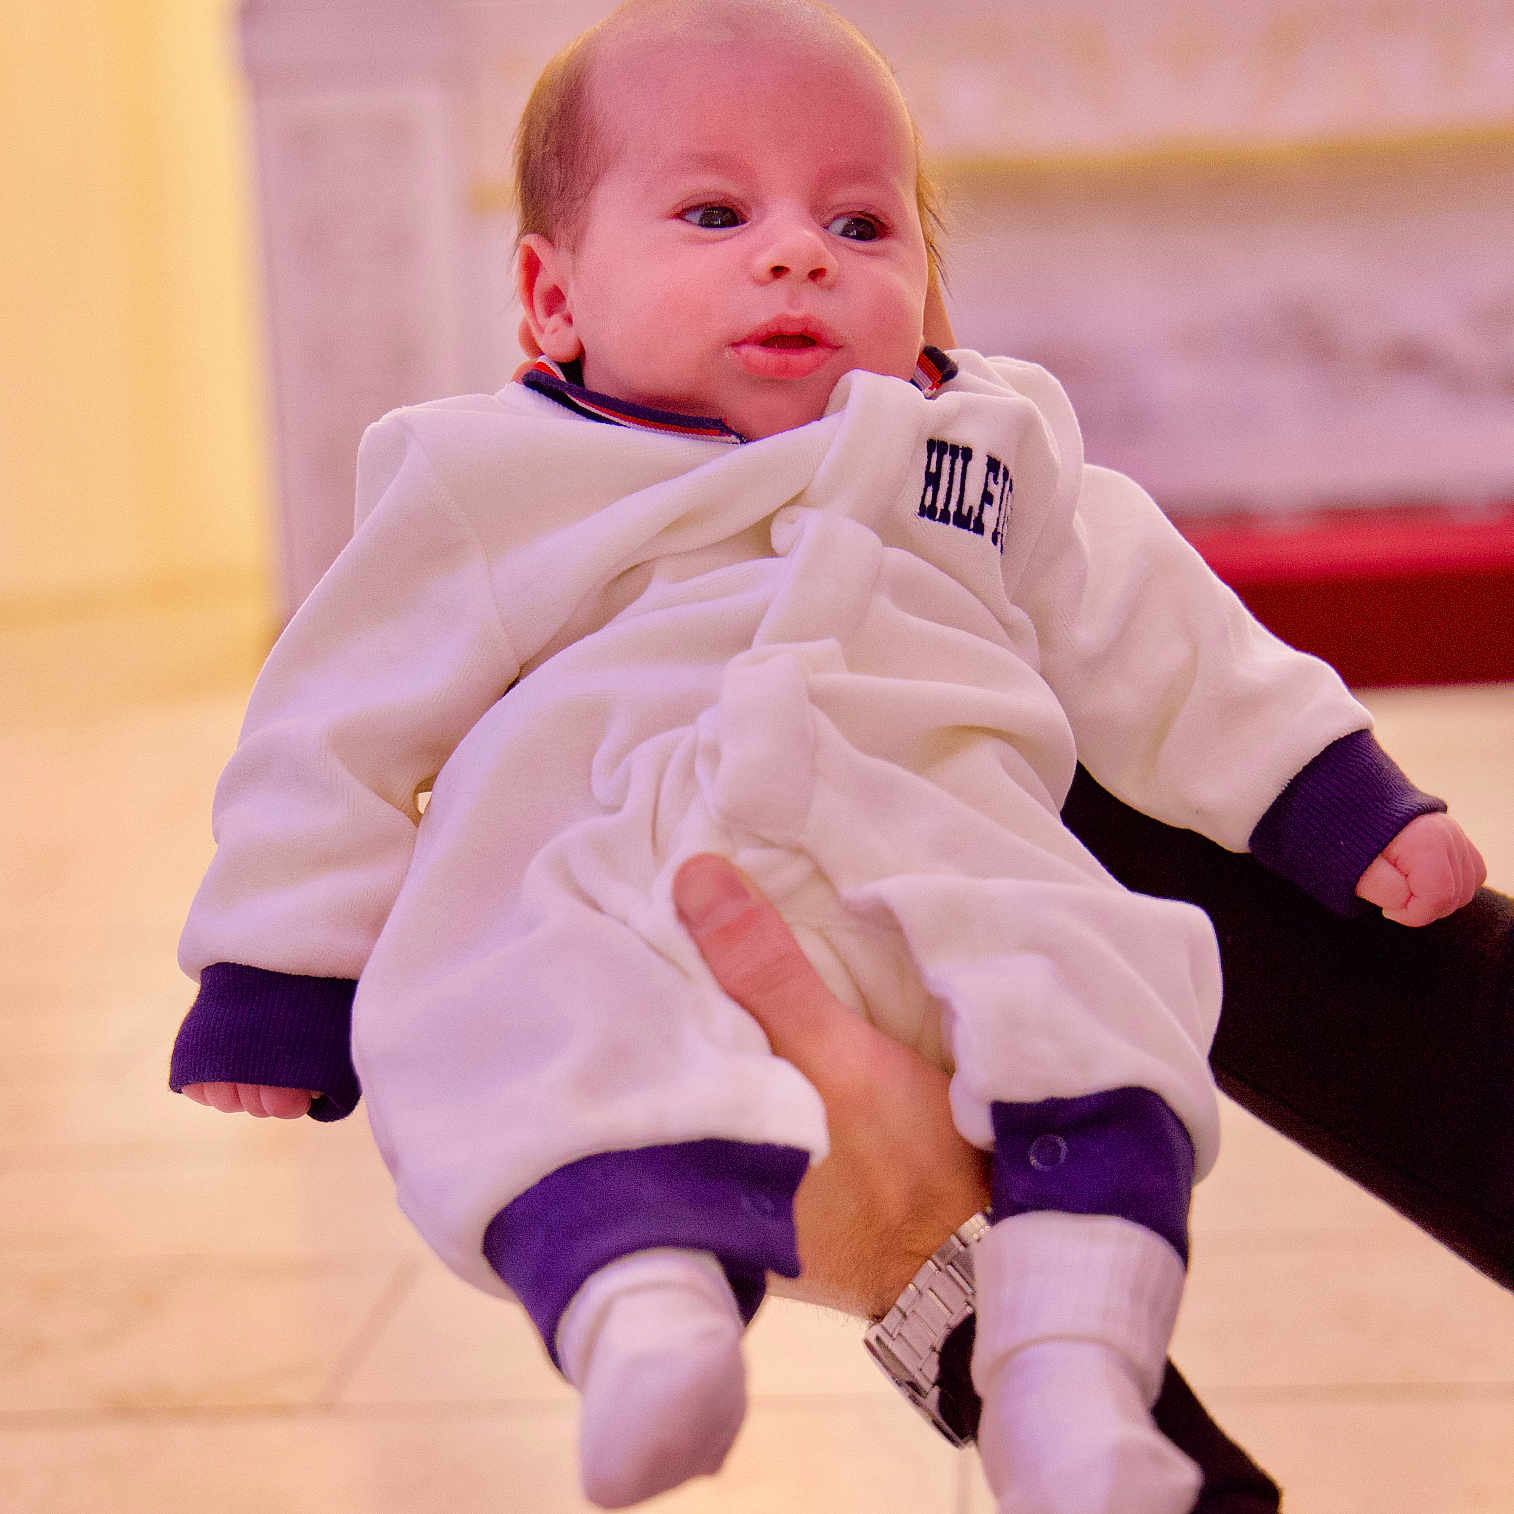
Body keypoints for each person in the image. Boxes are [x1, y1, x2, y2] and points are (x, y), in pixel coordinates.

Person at [169, 1, 1488, 1509]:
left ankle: (1072, 1398)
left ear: (925, 289)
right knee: (532, 1019)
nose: (798, 251)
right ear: (550, 298)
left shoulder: (986, 443)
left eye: (860, 222)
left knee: (1099, 1003)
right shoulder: (486, 475)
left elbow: (1162, 633)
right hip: (622, 859)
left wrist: (1336, 797)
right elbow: (339, 709)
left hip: (942, 853)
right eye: (714, 212)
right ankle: (641, 1318)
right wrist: (278, 973)